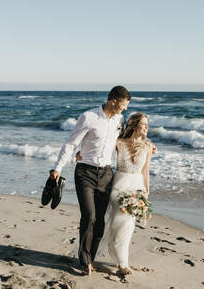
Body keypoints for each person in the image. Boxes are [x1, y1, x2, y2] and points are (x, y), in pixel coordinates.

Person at [49, 86, 130, 275]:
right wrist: (57, 168)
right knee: (89, 216)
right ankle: (84, 261)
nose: (124, 109)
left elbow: (124, 141)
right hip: (85, 172)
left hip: (106, 174)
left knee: (100, 221)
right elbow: (71, 143)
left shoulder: (119, 120)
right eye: (123, 105)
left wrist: (145, 146)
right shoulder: (89, 117)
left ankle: (91, 257)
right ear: (113, 101)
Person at [101, 112, 154, 275]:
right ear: (134, 125)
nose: (146, 127)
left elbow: (146, 171)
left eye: (147, 124)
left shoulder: (148, 146)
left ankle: (122, 261)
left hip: (136, 188)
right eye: (143, 124)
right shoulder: (119, 142)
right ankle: (122, 262)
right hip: (118, 186)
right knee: (120, 222)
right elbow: (103, 150)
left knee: (127, 225)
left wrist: (146, 192)